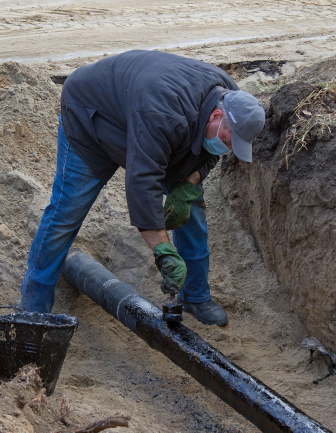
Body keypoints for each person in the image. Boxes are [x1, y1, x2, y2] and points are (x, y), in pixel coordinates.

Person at [20, 50, 265, 326]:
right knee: (66, 212)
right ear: (216, 116)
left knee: (191, 208)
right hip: (90, 116)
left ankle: (196, 295)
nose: (228, 148)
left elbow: (210, 153)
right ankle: (33, 309)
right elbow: (142, 182)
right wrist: (163, 251)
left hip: (148, 123)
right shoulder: (165, 113)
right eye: (228, 141)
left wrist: (189, 184)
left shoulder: (231, 98)